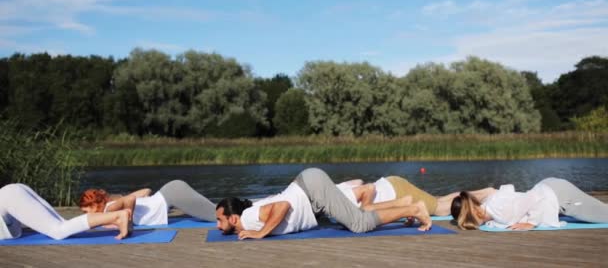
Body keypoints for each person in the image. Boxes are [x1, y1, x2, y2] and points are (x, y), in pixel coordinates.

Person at [215, 168, 432, 240]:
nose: (216, 225)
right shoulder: (249, 214)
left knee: (359, 224)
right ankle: (404, 205)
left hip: (312, 190)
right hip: (309, 190)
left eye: (219, 220)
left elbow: (281, 206)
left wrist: (260, 233)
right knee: (353, 216)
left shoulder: (248, 219)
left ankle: (414, 209)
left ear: (233, 218)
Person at [450, 177, 608, 230]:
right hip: (549, 188)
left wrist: (531, 223)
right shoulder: (489, 204)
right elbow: (508, 191)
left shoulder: (498, 210)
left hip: (560, 196)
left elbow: (534, 199)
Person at [0, 183, 132, 240]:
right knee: (64, 225)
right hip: (12, 193)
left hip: (8, 198)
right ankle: (114, 218)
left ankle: (117, 216)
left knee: (58, 230)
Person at [336, 176, 494, 216]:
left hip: (397, 192)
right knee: (436, 200)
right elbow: (358, 180)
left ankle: (484, 194)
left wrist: (366, 207)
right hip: (390, 183)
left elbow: (367, 187)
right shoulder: (334, 189)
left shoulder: (337, 199)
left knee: (439, 209)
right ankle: (484, 192)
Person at [80, 180, 216, 226]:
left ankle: (237, 217)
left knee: (215, 215)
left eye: (85, 211)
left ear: (93, 205)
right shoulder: (112, 207)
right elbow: (146, 191)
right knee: (216, 211)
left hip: (173, 194)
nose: (85, 215)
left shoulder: (109, 210)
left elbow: (130, 200)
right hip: (170, 193)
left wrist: (129, 219)